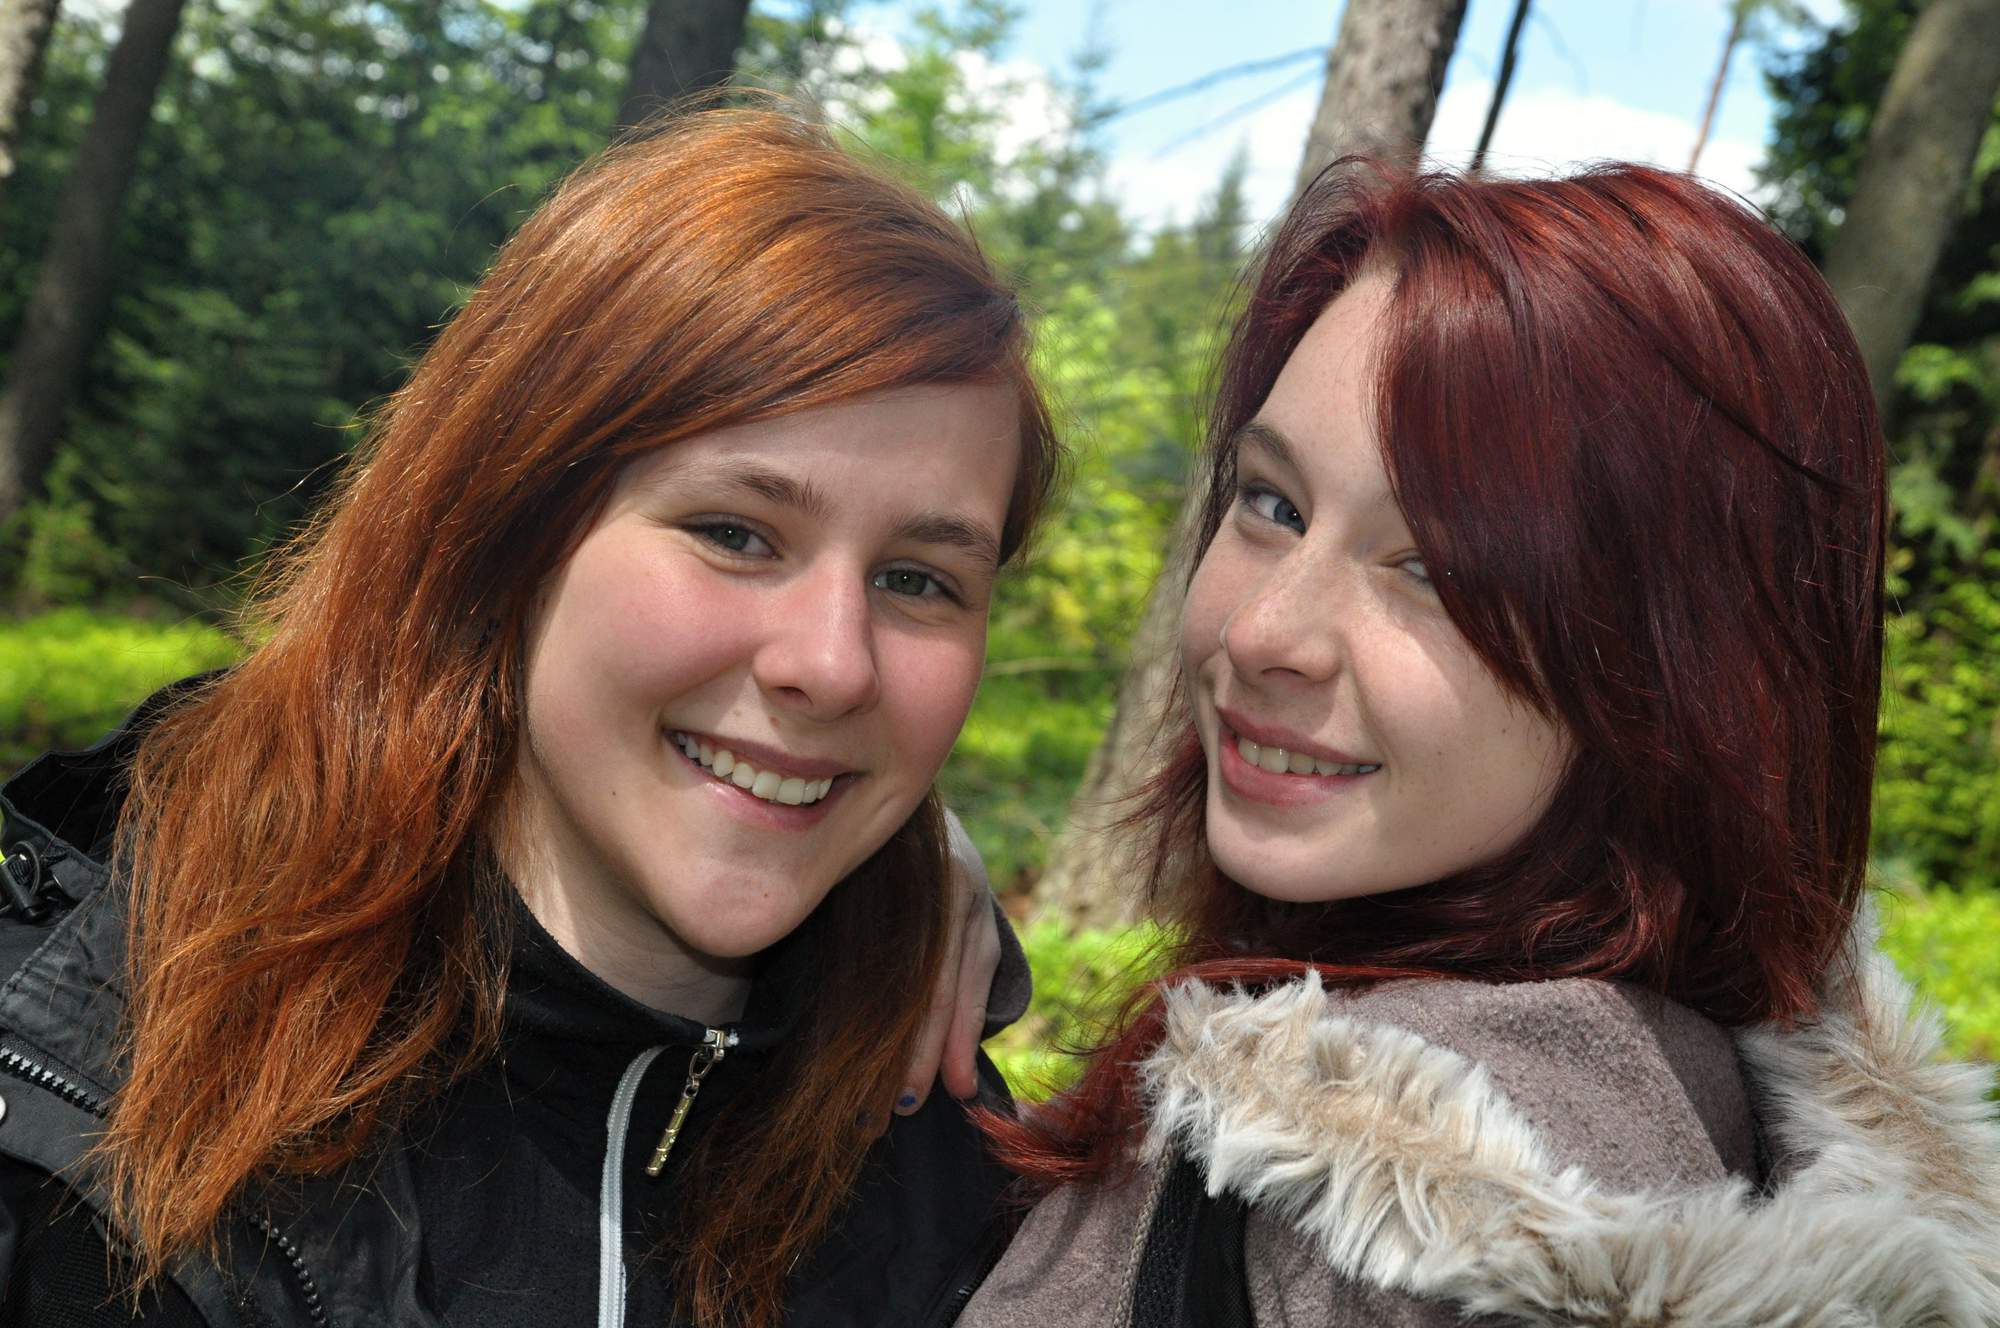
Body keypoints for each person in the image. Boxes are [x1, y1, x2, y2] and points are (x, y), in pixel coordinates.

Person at [0, 107, 1062, 1328]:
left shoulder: (973, 1197)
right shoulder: (71, 1087)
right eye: (734, 532)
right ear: (507, 522)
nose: (830, 664)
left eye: (917, 579)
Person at [962, 162, 2000, 1327]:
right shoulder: (1695, 1073)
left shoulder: (1406, 1218)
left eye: (1429, 569)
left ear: (1672, 674)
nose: (1261, 632)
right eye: (1272, 503)